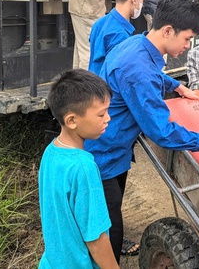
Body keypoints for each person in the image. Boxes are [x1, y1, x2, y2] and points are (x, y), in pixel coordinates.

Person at [85, 0, 199, 261]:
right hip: (104, 153)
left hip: (113, 147)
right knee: (107, 223)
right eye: (187, 38)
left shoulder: (137, 43)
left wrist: (178, 85)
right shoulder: (139, 71)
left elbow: (154, 73)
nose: (188, 45)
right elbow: (161, 131)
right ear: (168, 30)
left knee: (110, 211)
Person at [38, 69, 119, 269]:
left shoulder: (51, 151)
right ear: (72, 120)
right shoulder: (83, 167)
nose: (108, 118)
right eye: (101, 114)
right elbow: (96, 237)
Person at [88, 0, 146, 76]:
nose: (142, 5)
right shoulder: (120, 35)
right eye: (142, 1)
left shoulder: (99, 23)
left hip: (94, 85)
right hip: (106, 90)